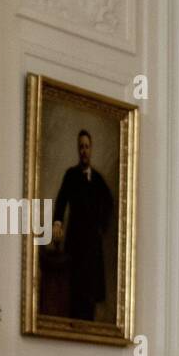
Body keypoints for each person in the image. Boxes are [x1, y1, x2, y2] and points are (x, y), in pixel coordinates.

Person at [48, 129, 113, 321]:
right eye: (81, 147)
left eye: (87, 146)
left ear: (91, 149)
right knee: (75, 289)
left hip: (93, 245)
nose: (84, 150)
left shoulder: (98, 179)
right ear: (78, 150)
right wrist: (57, 223)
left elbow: (109, 203)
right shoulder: (71, 175)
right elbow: (61, 201)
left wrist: (101, 225)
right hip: (76, 242)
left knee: (90, 293)